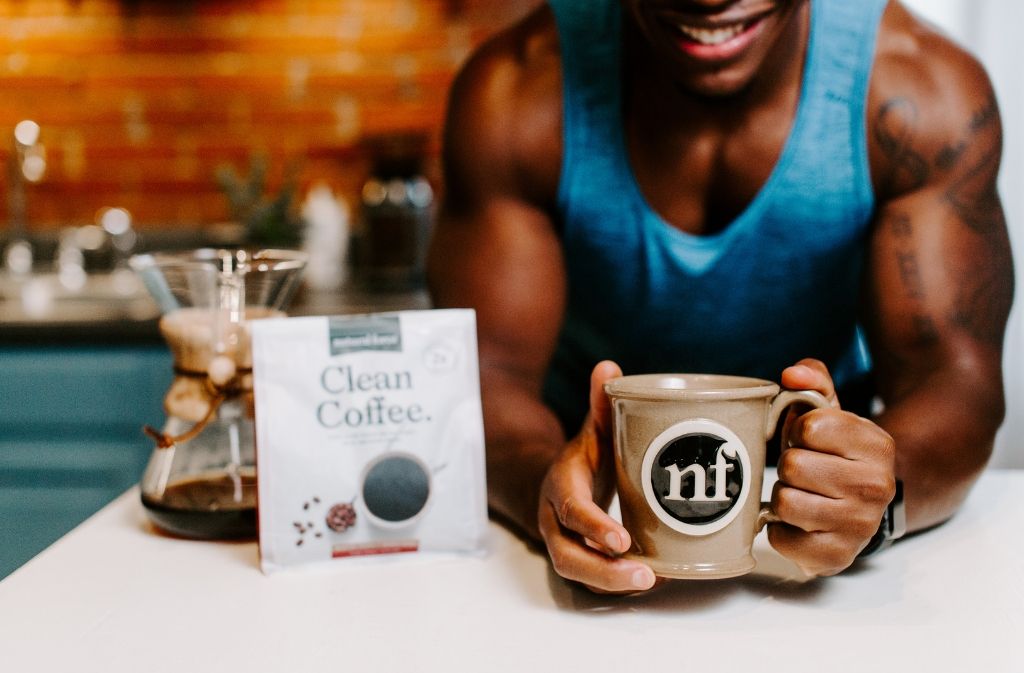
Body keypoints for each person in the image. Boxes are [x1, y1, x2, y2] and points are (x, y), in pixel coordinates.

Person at [427, 0, 1014, 592]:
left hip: (814, 508)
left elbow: (955, 382)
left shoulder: (920, 90)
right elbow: (488, 377)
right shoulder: (514, 89)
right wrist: (546, 488)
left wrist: (875, 498)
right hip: (587, 486)